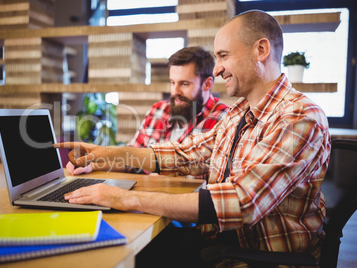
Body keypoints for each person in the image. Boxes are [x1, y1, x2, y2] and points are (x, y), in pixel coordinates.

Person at [54, 10, 331, 267]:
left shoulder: (298, 117)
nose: (218, 69)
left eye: (224, 56)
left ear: (261, 50)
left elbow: (241, 202)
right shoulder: (240, 113)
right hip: (220, 241)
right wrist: (106, 154)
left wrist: (125, 198)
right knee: (121, 250)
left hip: (256, 258)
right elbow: (186, 153)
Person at [67, 46, 229, 177]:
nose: (175, 91)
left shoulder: (224, 120)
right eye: (173, 82)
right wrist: (93, 165)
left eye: (184, 84)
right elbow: (130, 158)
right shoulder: (159, 110)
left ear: (207, 84)